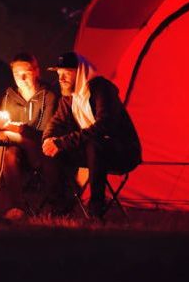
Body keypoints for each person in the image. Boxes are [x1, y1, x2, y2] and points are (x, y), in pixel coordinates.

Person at [42, 51, 142, 218]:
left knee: (94, 145)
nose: (61, 79)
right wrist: (48, 140)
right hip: (92, 151)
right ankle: (60, 206)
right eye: (59, 74)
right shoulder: (69, 98)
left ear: (80, 72)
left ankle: (96, 208)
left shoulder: (102, 89)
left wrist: (62, 142)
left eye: (66, 73)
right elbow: (56, 122)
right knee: (51, 152)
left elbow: (104, 126)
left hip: (121, 151)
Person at [0, 52, 57, 218]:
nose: (21, 78)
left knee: (3, 136)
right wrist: (0, 122)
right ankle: (17, 207)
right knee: (9, 153)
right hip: (17, 153)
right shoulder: (10, 96)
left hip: (40, 151)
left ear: (37, 71)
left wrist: (15, 129)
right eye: (16, 74)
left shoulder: (48, 96)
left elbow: (45, 133)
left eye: (26, 73)